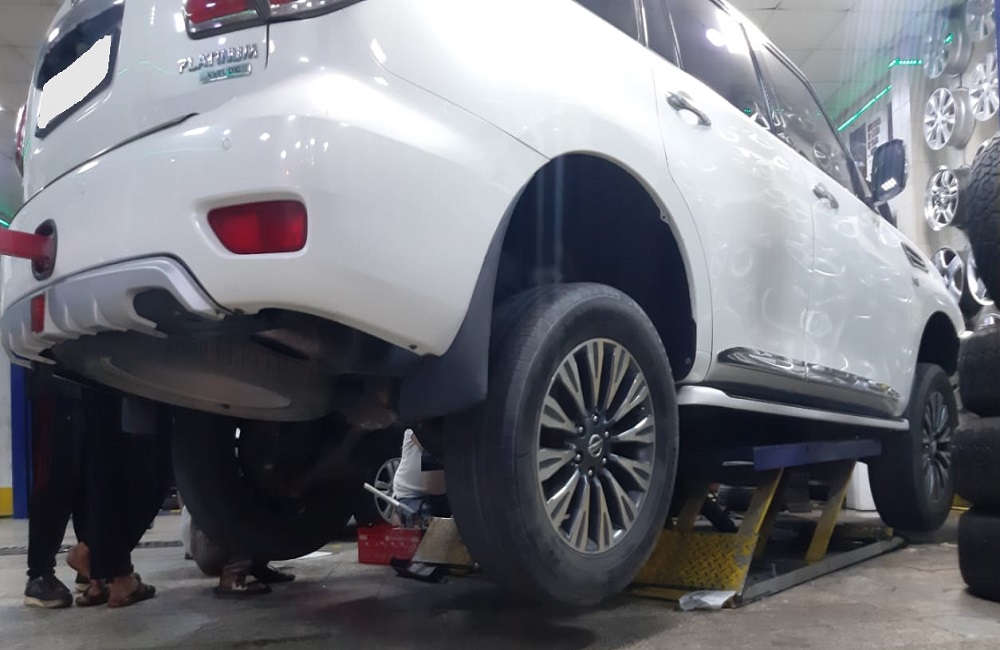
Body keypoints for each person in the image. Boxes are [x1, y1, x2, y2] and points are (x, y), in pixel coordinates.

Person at [22, 369, 88, 609]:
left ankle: (90, 565)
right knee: (53, 476)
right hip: (54, 376)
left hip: (91, 383)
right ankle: (39, 574)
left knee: (89, 478)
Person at [392, 428, 449, 523]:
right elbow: (429, 445)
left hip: (442, 495)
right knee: (424, 518)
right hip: (410, 494)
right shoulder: (418, 427)